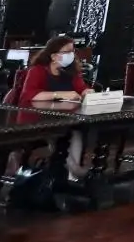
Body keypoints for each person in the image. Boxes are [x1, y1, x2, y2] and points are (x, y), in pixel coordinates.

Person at [14, 35, 91, 181]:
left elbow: (81, 89)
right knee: (67, 134)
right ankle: (74, 172)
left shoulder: (71, 72)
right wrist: (60, 94)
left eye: (72, 51)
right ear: (54, 56)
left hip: (65, 118)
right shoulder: (37, 71)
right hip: (38, 120)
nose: (71, 55)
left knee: (77, 131)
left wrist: (86, 92)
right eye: (67, 52)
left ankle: (70, 174)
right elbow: (29, 95)